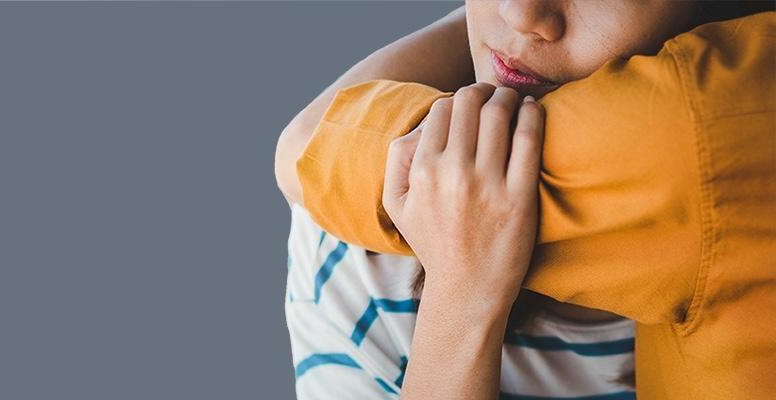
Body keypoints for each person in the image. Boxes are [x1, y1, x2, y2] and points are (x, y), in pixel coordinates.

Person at [276, 2, 776, 399]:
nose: (521, 12)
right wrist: (460, 307)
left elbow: (302, 147)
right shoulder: (357, 260)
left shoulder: (740, 183)